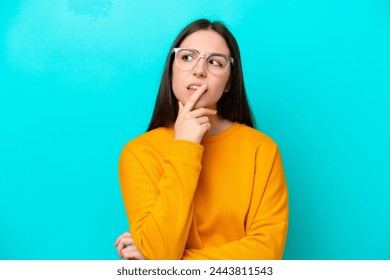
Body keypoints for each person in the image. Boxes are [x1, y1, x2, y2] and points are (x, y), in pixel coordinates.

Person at [113, 19, 288, 260]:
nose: (199, 70)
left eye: (215, 62)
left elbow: (267, 253)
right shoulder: (139, 153)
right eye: (187, 57)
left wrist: (174, 263)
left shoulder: (261, 150)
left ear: (228, 83)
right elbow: (161, 251)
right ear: (171, 69)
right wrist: (185, 147)